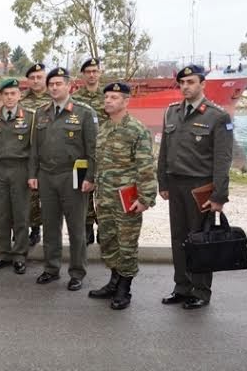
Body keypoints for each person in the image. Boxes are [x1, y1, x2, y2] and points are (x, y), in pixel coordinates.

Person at [157, 64, 233, 310]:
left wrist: (219, 196)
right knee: (178, 238)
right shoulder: (171, 112)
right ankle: (182, 286)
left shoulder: (217, 116)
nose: (186, 86)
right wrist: (163, 181)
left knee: (200, 240)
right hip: (176, 185)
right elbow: (164, 151)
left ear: (203, 84)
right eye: (182, 82)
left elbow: (223, 160)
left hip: (200, 187)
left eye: (191, 82)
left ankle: (200, 290)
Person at [88, 82, 157, 309]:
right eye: (106, 97)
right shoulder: (105, 128)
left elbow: (145, 167)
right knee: (108, 240)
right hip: (105, 197)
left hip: (126, 197)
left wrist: (145, 198)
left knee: (127, 244)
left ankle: (124, 289)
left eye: (114, 97)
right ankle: (113, 281)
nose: (108, 101)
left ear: (126, 101)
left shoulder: (136, 129)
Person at [32, 67, 97, 291]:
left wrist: (90, 177)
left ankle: (77, 272)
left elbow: (92, 149)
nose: (54, 87)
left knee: (76, 227)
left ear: (69, 86)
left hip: (74, 173)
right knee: (50, 225)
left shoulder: (84, 112)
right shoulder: (41, 112)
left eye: (59, 84)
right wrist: (33, 174)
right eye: (51, 84)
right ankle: (51, 268)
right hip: (47, 175)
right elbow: (35, 147)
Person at [0, 78, 37, 275]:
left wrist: (32, 174)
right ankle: (4, 253)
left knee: (21, 215)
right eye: (5, 94)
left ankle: (20, 255)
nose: (9, 97)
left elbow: (34, 150)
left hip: (20, 169)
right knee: (0, 215)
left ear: (19, 95)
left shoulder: (31, 117)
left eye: (13, 93)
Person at [72, 57, 108, 245]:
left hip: (103, 154)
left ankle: (103, 229)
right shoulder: (75, 98)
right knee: (82, 193)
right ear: (83, 75)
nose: (92, 75)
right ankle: (86, 229)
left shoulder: (108, 97)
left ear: (99, 73)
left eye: (95, 71)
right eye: (88, 72)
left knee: (102, 194)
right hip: (80, 155)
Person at [20, 62, 50, 246]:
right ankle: (34, 229)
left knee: (49, 197)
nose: (36, 80)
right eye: (32, 77)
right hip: (28, 155)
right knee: (31, 196)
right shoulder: (21, 101)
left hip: (50, 155)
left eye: (39, 77)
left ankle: (50, 231)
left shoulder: (55, 97)